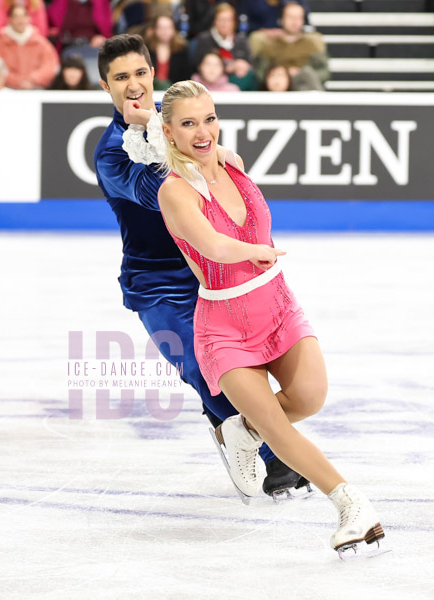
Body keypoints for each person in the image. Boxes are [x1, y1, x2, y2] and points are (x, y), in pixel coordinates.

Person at [156, 79, 386, 557]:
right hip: (224, 325)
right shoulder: (174, 192)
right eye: (189, 123)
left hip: (277, 304)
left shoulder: (231, 163)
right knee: (279, 429)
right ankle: (351, 505)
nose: (203, 132)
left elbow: (208, 156)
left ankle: (240, 428)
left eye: (210, 118)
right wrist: (255, 250)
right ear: (170, 131)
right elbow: (215, 246)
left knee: (310, 396)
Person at [94, 33, 305, 499]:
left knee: (250, 365)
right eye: (121, 76)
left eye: (141, 72)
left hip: (210, 271)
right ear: (105, 85)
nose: (134, 84)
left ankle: (243, 433)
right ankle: (273, 456)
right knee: (203, 369)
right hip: (158, 283)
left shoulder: (181, 128)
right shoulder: (112, 150)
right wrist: (181, 143)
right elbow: (159, 193)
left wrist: (196, 147)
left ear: (153, 72)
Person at [252, 1, 328, 91]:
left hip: (305, 88)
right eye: (290, 17)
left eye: (298, 17)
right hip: (277, 89)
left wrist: (300, 73)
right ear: (282, 19)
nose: (294, 21)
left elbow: (324, 73)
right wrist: (279, 75)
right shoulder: (270, 44)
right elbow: (260, 73)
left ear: (303, 20)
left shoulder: (312, 44)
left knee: (307, 73)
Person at [0, 5, 59, 89]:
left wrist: (33, 79)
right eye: (16, 17)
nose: (20, 20)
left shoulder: (41, 43)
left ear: (29, 19)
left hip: (36, 87)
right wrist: (17, 81)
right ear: (9, 20)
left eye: (23, 16)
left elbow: (50, 66)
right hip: (8, 88)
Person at [194, 2, 256, 91]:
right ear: (215, 21)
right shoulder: (204, 40)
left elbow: (250, 64)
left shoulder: (241, 41)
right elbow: (200, 66)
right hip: (210, 82)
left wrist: (243, 66)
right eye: (221, 19)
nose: (224, 23)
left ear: (234, 22)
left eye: (228, 20)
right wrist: (230, 66)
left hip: (237, 81)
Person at [145, 14, 192, 91]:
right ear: (155, 29)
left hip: (175, 93)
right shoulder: (147, 49)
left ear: (174, 29)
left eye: (168, 28)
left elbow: (185, 77)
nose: (164, 31)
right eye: (161, 27)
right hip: (151, 91)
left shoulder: (182, 49)